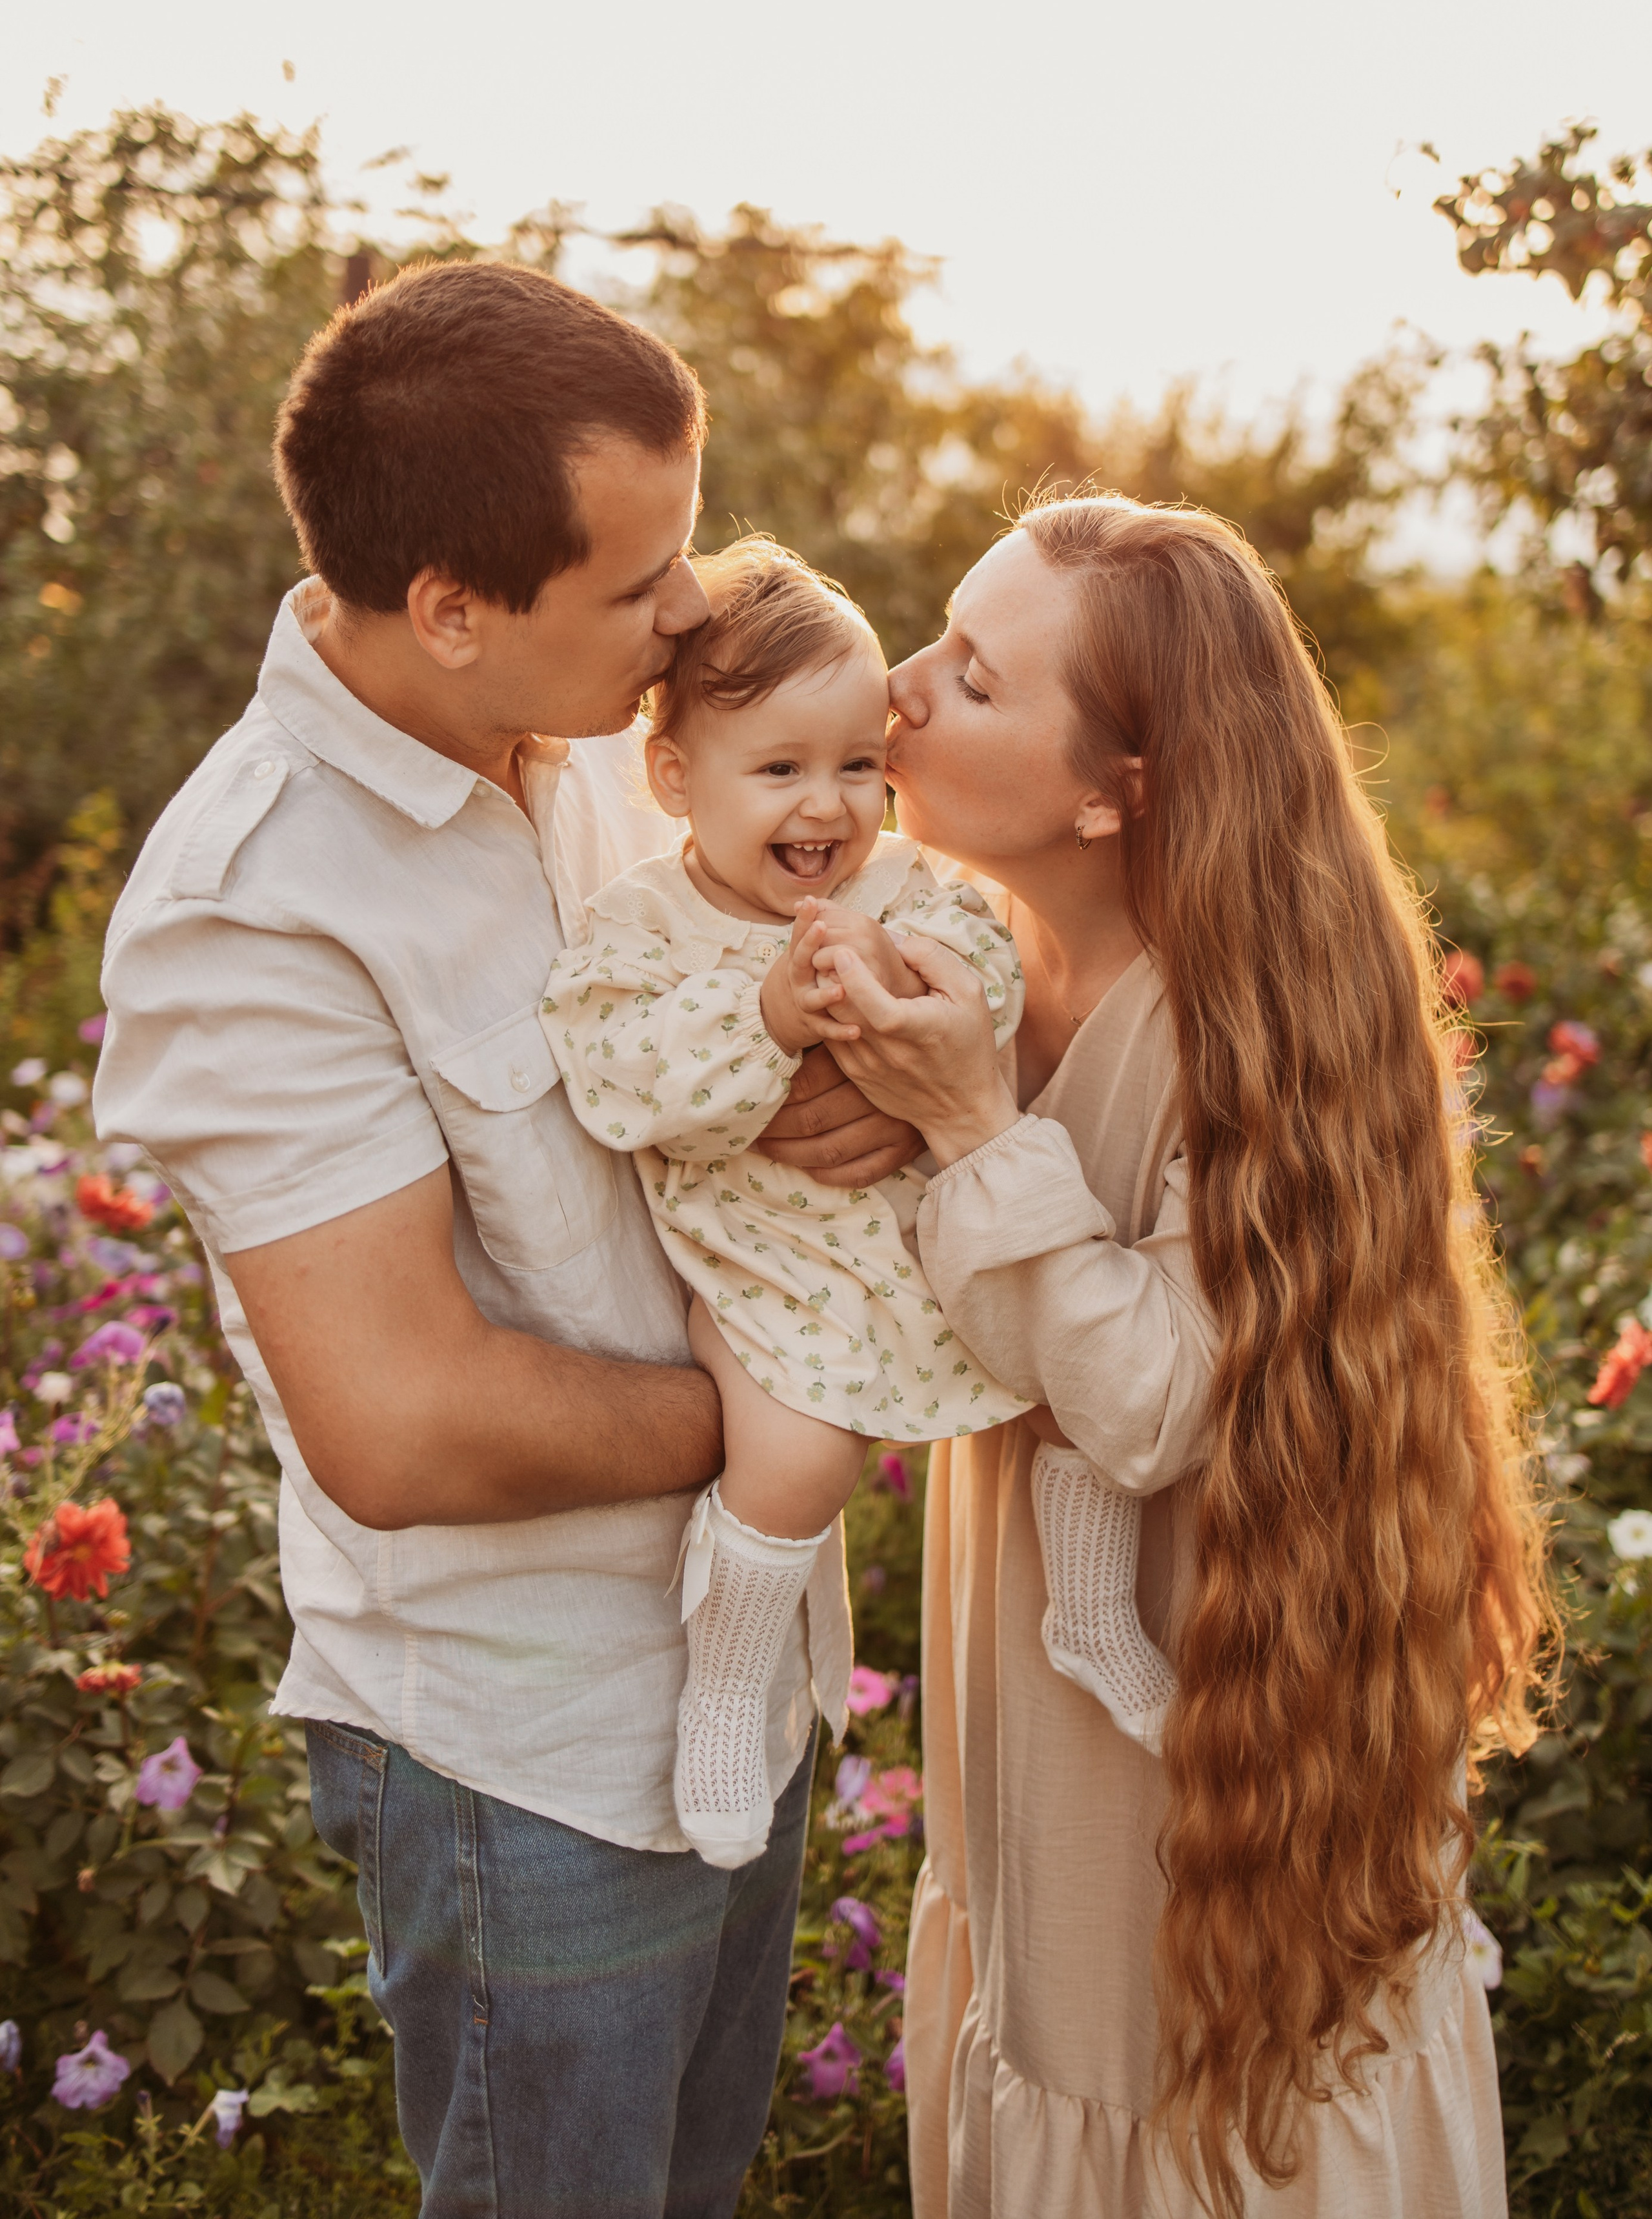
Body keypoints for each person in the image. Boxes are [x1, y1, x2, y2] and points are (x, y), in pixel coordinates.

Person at [89, 261, 907, 2219]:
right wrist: (792, 1405)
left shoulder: (602, 743)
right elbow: (407, 1424)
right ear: (452, 608)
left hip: (745, 1664)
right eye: (641, 582)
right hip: (528, 1750)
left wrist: (866, 1090)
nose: (694, 610)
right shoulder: (259, 906)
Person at [798, 494, 1551, 2216]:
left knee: (1159, 2077)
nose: (902, 690)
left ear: (1112, 786)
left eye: (973, 677)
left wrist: (972, 1128)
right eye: (933, 639)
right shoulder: (966, 956)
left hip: (1214, 1754)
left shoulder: (1251, 1025)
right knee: (1041, 2010)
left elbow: (1147, 1402)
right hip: (1028, 1752)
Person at [543, 535, 1175, 1870]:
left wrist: (927, 1019)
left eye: (854, 768)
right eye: (777, 770)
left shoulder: (904, 891)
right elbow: (618, 1076)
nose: (824, 806)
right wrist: (765, 1014)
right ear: (675, 777)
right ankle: (721, 1689)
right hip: (768, 1262)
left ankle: (1095, 1607)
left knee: (1059, 1370)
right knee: (796, 1455)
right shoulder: (645, 926)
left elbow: (987, 979)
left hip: (904, 1236)